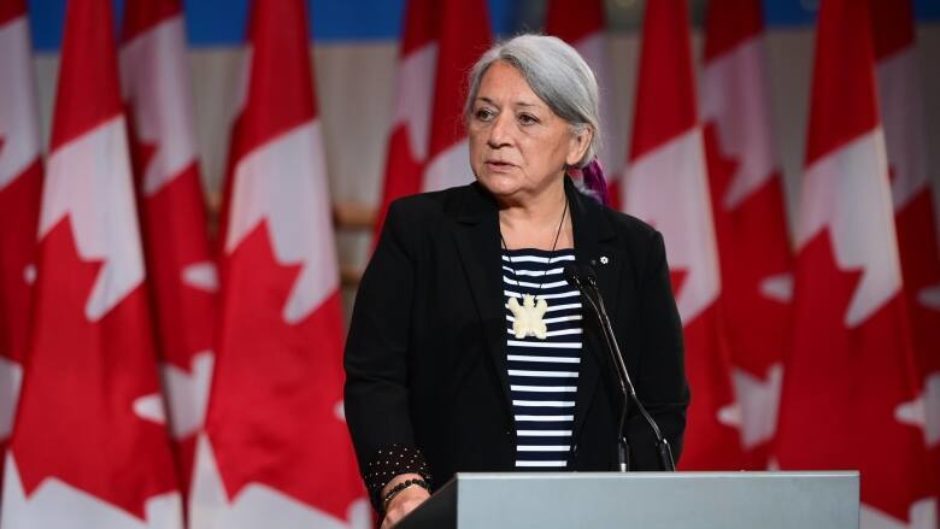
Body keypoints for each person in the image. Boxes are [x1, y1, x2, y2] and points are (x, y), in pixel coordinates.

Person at [344, 34, 689, 528]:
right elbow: (375, 377)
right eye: (485, 114)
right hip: (453, 515)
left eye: (526, 118)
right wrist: (402, 485)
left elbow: (659, 404)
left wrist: (625, 505)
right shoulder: (420, 232)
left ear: (578, 141)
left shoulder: (632, 251)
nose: (498, 134)